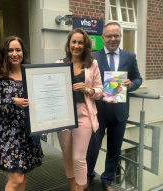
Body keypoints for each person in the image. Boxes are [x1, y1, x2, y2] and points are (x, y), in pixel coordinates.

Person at [86, 22, 142, 191]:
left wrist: (131, 84)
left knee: (114, 148)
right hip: (98, 111)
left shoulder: (129, 57)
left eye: (116, 35)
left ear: (120, 37)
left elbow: (138, 79)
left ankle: (107, 179)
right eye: (109, 36)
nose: (113, 39)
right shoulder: (93, 57)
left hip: (119, 112)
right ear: (103, 38)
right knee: (92, 147)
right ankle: (88, 176)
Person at [0, 36, 43, 191]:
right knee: (16, 179)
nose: (14, 54)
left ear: (23, 52)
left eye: (18, 50)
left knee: (23, 174)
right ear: (4, 53)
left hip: (27, 131)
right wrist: (14, 101)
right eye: (10, 50)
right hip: (7, 132)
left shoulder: (30, 73)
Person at [57, 28, 103, 191]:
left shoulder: (92, 64)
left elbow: (100, 91)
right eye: (74, 41)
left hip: (84, 114)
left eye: (80, 42)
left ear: (85, 45)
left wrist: (87, 90)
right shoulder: (59, 64)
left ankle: (81, 189)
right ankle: (73, 188)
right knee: (67, 156)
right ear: (69, 43)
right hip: (64, 115)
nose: (76, 45)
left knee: (78, 157)